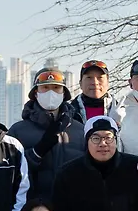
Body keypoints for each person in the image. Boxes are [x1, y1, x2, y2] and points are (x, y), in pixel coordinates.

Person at [51, 117, 138, 211]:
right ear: (87, 142)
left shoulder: (135, 167)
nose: (103, 143)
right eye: (96, 138)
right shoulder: (67, 174)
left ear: (116, 140)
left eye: (108, 138)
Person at [10, 68, 85, 200]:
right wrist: (36, 153)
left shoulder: (80, 130)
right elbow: (8, 171)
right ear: (36, 93)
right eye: (45, 88)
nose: (51, 92)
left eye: (56, 88)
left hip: (73, 205)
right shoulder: (17, 131)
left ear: (64, 94)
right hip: (33, 207)